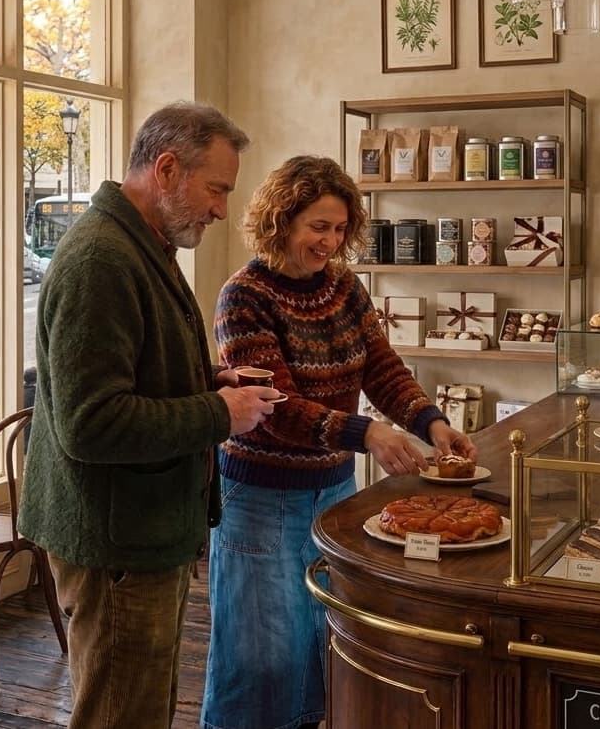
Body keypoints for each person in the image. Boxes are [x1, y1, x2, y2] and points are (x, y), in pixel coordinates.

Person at [18, 102, 277, 729]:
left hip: (138, 535)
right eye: (216, 189)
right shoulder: (101, 260)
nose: (221, 210)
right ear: (166, 170)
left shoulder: (142, 246)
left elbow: (131, 375)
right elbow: (91, 423)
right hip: (117, 543)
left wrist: (205, 381)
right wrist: (217, 412)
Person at [201, 155, 477, 729]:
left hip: (333, 493)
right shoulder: (243, 296)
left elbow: (382, 367)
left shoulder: (346, 287)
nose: (329, 241)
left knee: (319, 641)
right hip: (260, 499)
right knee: (260, 655)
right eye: (318, 226)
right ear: (280, 221)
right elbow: (272, 407)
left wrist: (431, 422)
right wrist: (365, 432)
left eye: (339, 228)